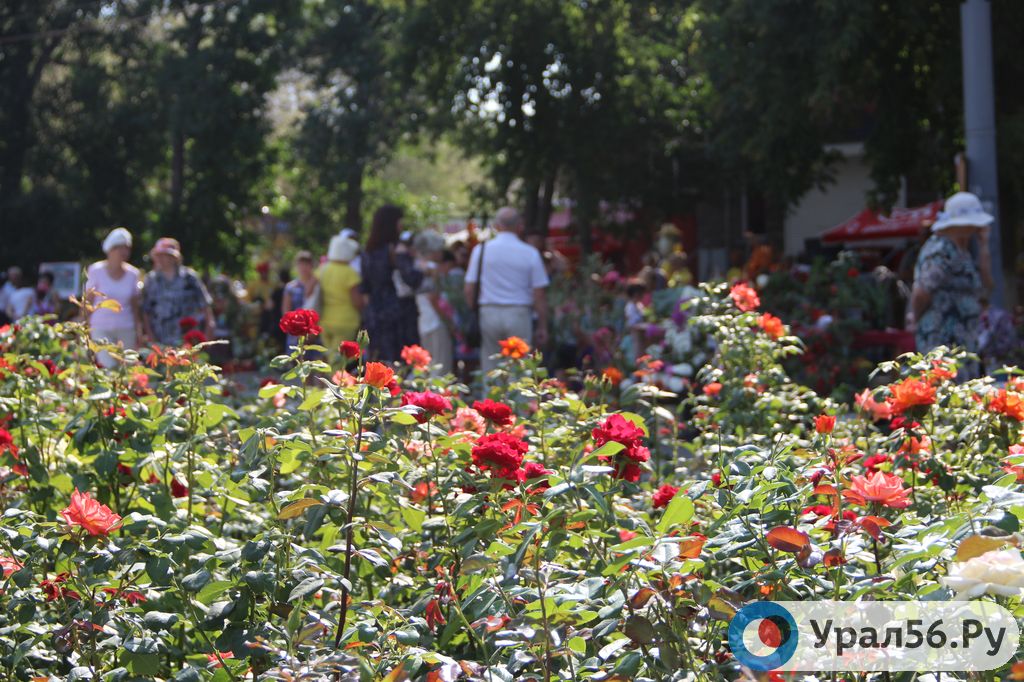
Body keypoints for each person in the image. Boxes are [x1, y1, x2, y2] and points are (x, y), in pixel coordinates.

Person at [464, 206, 550, 374]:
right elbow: (539, 294)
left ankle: (490, 400)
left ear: (497, 225)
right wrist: (542, 325)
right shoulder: (530, 253)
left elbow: (469, 288)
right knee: (519, 367)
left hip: (488, 311)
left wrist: (474, 310)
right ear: (520, 226)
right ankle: (517, 400)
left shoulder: (481, 250)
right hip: (519, 312)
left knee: (491, 367)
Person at [910, 191, 993, 360]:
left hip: (962, 342)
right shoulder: (941, 251)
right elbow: (921, 293)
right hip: (942, 341)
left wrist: (984, 245)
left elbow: (988, 286)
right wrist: (916, 319)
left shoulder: (961, 251)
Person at [360, 205, 423, 361]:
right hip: (399, 315)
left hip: (375, 315)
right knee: (400, 364)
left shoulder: (368, 252)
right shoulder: (396, 250)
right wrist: (423, 268)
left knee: (378, 363)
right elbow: (412, 279)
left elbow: (365, 288)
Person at [83, 228, 143, 365]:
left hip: (126, 328)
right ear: (110, 249)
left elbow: (135, 307)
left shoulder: (133, 274)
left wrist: (139, 331)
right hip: (100, 328)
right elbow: (88, 301)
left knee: (126, 367)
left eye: (126, 248)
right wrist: (82, 325)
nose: (123, 252)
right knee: (108, 366)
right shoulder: (95, 270)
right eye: (119, 248)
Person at [141, 237, 215, 346]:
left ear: (174, 257)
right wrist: (151, 338)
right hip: (160, 340)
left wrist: (208, 332)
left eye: (164, 255)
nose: (160, 259)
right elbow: (146, 312)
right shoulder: (151, 280)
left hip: (188, 340)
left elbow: (205, 305)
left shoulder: (190, 277)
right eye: (158, 255)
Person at [413, 230, 455, 374]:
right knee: (441, 366)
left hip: (424, 320)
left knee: (428, 366)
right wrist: (449, 322)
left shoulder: (416, 266)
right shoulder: (432, 269)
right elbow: (434, 298)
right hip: (436, 322)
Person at [319, 235, 363, 353]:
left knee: (329, 356)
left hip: (324, 320)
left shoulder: (323, 269)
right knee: (339, 359)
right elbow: (357, 301)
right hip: (346, 321)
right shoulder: (350, 273)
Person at [281, 250, 321, 350]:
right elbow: (286, 311)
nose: (304, 267)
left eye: (306, 264)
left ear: (312, 266)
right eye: (301, 264)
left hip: (314, 333)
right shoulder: (291, 287)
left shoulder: (318, 284)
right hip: (295, 333)